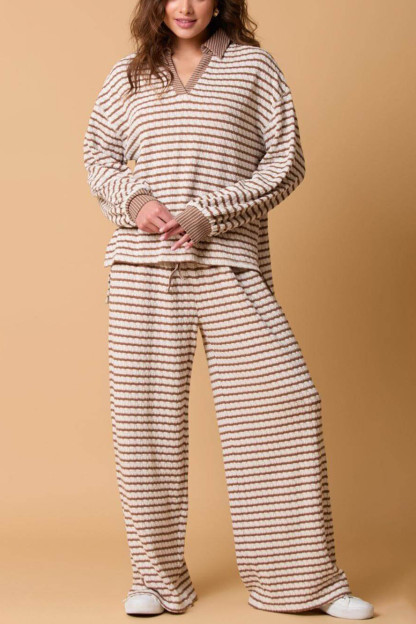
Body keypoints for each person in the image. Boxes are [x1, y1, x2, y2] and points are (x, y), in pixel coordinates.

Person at [83, 0, 374, 619]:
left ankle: (303, 583)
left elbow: (286, 163)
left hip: (228, 263)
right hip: (141, 269)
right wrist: (135, 201)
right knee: (144, 425)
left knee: (284, 406)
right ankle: (155, 580)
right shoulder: (128, 75)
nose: (185, 6)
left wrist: (207, 214)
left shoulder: (253, 68)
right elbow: (98, 159)